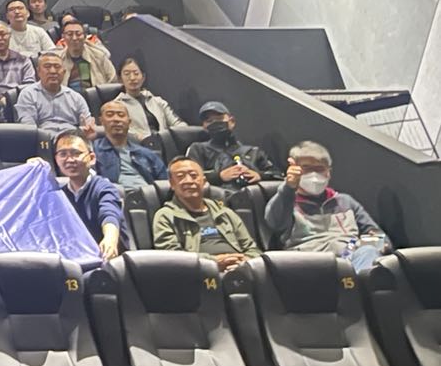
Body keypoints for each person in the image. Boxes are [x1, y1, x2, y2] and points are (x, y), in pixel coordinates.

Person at [263, 141, 390, 272]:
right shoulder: (287, 202)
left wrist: (368, 243)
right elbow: (274, 222)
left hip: (349, 257)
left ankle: (357, 282)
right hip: (310, 264)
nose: (314, 174)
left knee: (369, 251)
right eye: (306, 168)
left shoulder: (345, 201)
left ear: (329, 172)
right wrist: (288, 188)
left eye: (319, 169)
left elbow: (379, 235)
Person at [153, 158, 262, 269]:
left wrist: (245, 261)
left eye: (194, 175)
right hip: (198, 272)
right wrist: (213, 262)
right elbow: (172, 256)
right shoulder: (165, 216)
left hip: (239, 268)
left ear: (204, 182)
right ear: (172, 184)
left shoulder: (225, 212)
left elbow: (252, 248)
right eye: (180, 176)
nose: (188, 181)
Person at [54, 130, 123, 260]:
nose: (69, 160)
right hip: (73, 259)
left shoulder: (104, 188)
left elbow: (110, 214)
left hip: (105, 260)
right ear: (56, 160)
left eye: (76, 153)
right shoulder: (60, 195)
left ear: (91, 158)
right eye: (63, 154)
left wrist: (110, 238)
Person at [186, 102, 277, 186]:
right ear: (204, 127)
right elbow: (191, 176)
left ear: (232, 121)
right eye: (209, 121)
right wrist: (219, 176)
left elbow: (277, 175)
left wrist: (259, 175)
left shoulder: (253, 151)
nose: (215, 123)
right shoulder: (198, 149)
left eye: (219, 118)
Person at [16, 52, 95, 136]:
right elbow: (29, 129)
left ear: (64, 72)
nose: (53, 71)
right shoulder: (28, 95)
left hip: (72, 138)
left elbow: (88, 125)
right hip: (43, 140)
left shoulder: (76, 97)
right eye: (47, 67)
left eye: (57, 67)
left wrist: (89, 128)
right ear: (38, 72)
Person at [93, 100, 165, 187]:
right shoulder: (93, 151)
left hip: (146, 192)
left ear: (129, 122)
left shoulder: (146, 154)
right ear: (101, 121)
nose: (116, 119)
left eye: (121, 115)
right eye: (110, 115)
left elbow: (165, 183)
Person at [117, 57, 180, 140]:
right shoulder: (117, 106)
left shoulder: (157, 101)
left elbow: (177, 124)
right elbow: (122, 131)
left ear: (143, 77)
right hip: (139, 145)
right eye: (127, 74)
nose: (132, 78)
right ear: (120, 79)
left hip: (164, 142)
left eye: (136, 73)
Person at [60, 20, 115, 88]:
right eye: (69, 34)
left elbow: (113, 81)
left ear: (85, 36)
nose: (74, 38)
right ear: (63, 37)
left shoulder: (99, 56)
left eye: (78, 34)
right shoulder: (58, 59)